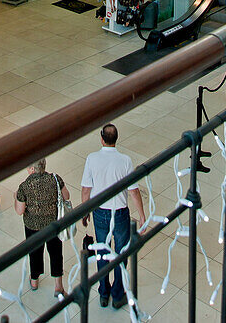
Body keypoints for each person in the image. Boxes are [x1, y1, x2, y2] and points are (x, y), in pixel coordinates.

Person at [81, 123, 145, 310]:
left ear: (101, 139)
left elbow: (86, 190)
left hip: (100, 212)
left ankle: (103, 293)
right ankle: (118, 295)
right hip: (120, 213)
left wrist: (85, 212)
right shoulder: (125, 160)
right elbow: (134, 192)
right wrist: (141, 215)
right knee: (121, 254)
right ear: (116, 139)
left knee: (102, 252)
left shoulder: (92, 159)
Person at [14, 156, 70, 297]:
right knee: (56, 253)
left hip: (33, 226)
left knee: (34, 252)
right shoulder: (55, 179)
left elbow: (20, 211)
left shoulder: (24, 186)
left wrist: (15, 197)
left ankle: (34, 280)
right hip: (53, 224)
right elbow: (66, 196)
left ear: (32, 169)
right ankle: (58, 286)